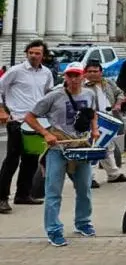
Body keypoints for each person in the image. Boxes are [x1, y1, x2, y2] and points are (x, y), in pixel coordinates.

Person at [24, 62, 100, 246]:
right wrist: (46, 133)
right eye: (70, 75)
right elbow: (29, 116)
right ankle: (54, 230)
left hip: (80, 146)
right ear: (65, 77)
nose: (74, 79)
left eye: (77, 75)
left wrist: (95, 129)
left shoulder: (89, 94)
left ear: (83, 76)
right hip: (58, 147)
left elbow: (93, 113)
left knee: (84, 188)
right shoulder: (54, 96)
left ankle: (83, 222)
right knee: (53, 192)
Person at [0, 40, 54, 213]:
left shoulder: (46, 73)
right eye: (31, 52)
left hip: (37, 121)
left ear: (43, 55)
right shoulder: (15, 71)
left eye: (37, 53)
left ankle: (23, 194)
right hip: (17, 120)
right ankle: (2, 198)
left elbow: (48, 95)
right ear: (26, 53)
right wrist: (1, 110)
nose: (33, 55)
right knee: (12, 160)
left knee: (31, 159)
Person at [83, 60, 126, 187]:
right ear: (85, 72)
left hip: (108, 118)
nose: (92, 74)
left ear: (101, 72)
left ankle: (113, 174)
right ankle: (89, 177)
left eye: (95, 71)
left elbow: (120, 93)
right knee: (92, 149)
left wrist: (118, 103)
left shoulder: (108, 82)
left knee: (108, 147)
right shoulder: (82, 86)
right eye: (89, 71)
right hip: (91, 121)